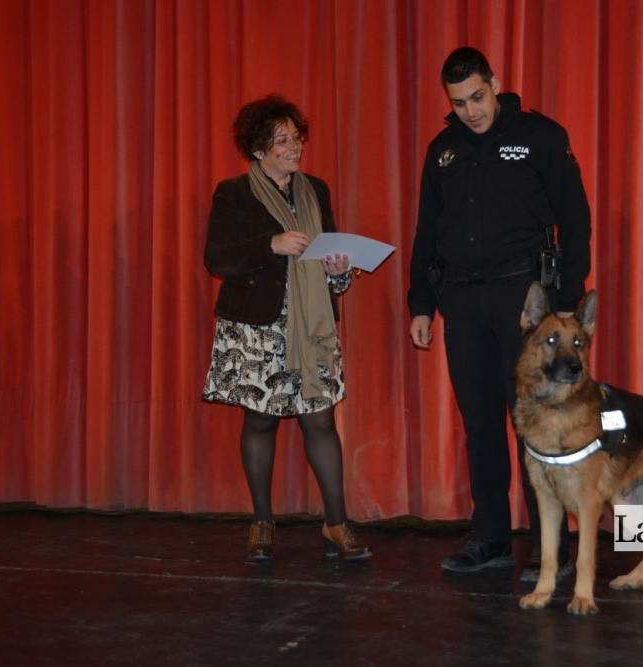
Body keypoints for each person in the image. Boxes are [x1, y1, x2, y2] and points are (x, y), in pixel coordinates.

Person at [408, 47, 591, 577]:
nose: (471, 110)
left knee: (536, 423)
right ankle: (489, 537)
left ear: (494, 83)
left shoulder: (539, 136)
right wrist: (421, 302)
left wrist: (566, 304)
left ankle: (546, 544)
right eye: (459, 102)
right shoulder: (442, 150)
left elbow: (574, 220)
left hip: (524, 302)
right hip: (461, 301)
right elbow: (426, 232)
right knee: (480, 422)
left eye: (478, 96)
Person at [203, 94, 370, 561]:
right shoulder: (232, 193)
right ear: (258, 149)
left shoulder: (316, 189)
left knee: (320, 420)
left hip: (311, 326)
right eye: (282, 141)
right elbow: (217, 257)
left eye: (297, 138)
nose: (294, 148)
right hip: (258, 328)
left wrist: (339, 266)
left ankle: (336, 524)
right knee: (260, 420)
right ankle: (261, 521)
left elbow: (333, 271)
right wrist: (270, 244)